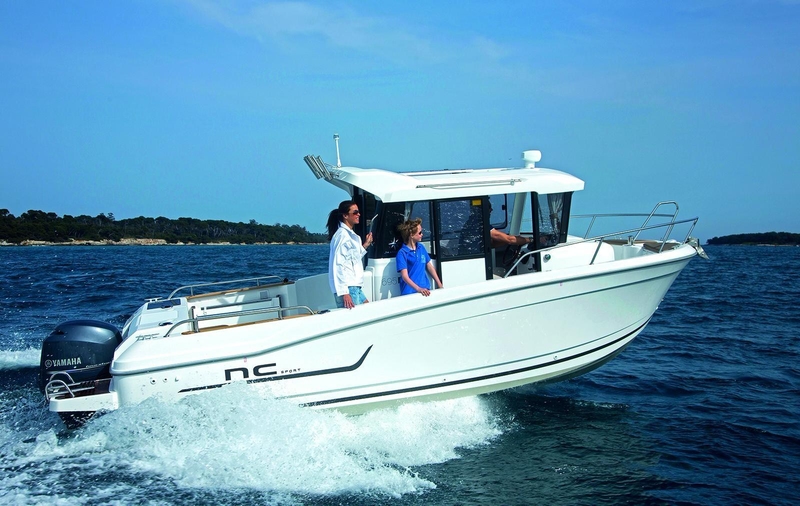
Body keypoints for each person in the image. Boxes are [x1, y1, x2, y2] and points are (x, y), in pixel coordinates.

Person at [327, 200, 373, 309]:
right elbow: (338, 264)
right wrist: (344, 293)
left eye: (358, 212)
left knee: (368, 309)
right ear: (345, 216)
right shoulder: (342, 236)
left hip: (354, 287)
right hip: (348, 288)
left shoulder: (349, 235)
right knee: (358, 316)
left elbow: (353, 258)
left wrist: (366, 245)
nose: (359, 214)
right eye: (355, 212)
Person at [396, 218, 443, 296]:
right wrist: (418, 289)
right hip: (409, 293)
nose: (422, 235)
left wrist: (439, 285)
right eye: (420, 233)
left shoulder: (421, 248)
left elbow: (429, 267)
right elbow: (405, 276)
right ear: (411, 235)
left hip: (425, 290)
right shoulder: (402, 253)